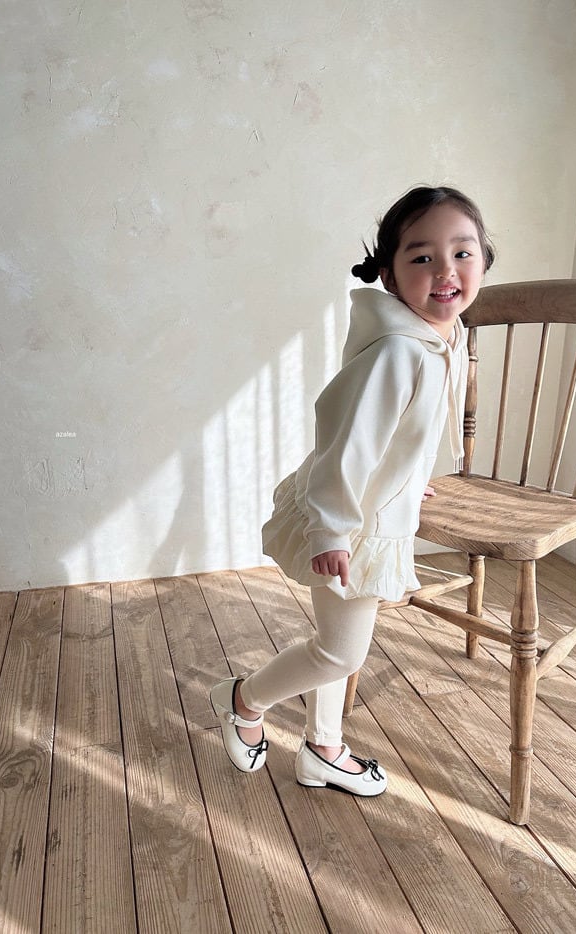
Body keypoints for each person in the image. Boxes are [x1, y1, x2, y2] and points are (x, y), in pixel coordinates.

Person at [210, 185, 495, 795]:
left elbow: (400, 435)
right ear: (389, 275)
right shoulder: (398, 351)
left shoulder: (443, 336)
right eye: (422, 257)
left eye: (462, 253)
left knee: (338, 642)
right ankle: (243, 700)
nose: (446, 271)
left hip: (371, 511)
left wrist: (408, 483)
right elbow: (347, 446)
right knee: (340, 653)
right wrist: (332, 529)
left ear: (484, 260)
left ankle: (323, 748)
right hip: (348, 521)